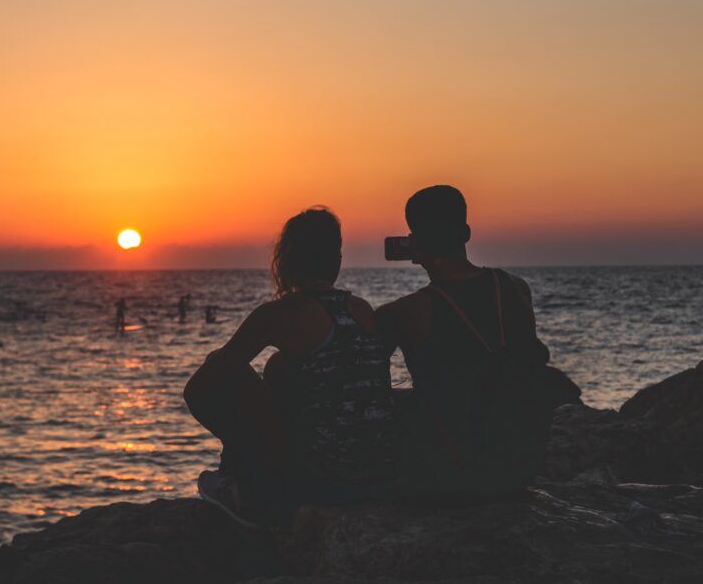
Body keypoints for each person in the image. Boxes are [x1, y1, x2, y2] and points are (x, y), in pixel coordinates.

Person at [184, 207, 397, 527]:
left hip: (319, 481)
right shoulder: (362, 310)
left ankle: (250, 488)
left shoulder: (281, 314)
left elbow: (199, 389)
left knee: (224, 366)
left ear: (287, 259)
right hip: (379, 476)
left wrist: (242, 443)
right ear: (336, 259)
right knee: (281, 367)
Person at [378, 185, 579, 497]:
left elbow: (365, 381)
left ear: (414, 244)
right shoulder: (515, 288)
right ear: (467, 233)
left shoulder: (407, 311)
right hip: (518, 466)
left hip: (452, 474)